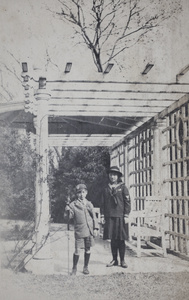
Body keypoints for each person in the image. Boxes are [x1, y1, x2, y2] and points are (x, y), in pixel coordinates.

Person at [100, 166, 131, 268]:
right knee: (113, 239)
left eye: (114, 175)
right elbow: (103, 203)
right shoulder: (106, 188)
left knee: (121, 239)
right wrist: (102, 215)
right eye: (111, 174)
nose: (112, 177)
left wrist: (126, 215)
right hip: (110, 217)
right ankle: (114, 260)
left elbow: (127, 202)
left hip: (120, 217)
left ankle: (122, 260)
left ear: (118, 176)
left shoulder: (123, 187)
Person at [65, 183, 98, 275]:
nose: (81, 194)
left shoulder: (89, 204)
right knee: (77, 250)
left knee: (88, 249)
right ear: (76, 194)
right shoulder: (73, 205)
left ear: (86, 193)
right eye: (79, 192)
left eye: (83, 192)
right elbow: (69, 217)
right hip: (79, 231)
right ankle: (74, 268)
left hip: (89, 230)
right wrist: (67, 210)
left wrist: (95, 228)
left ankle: (85, 267)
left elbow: (94, 217)